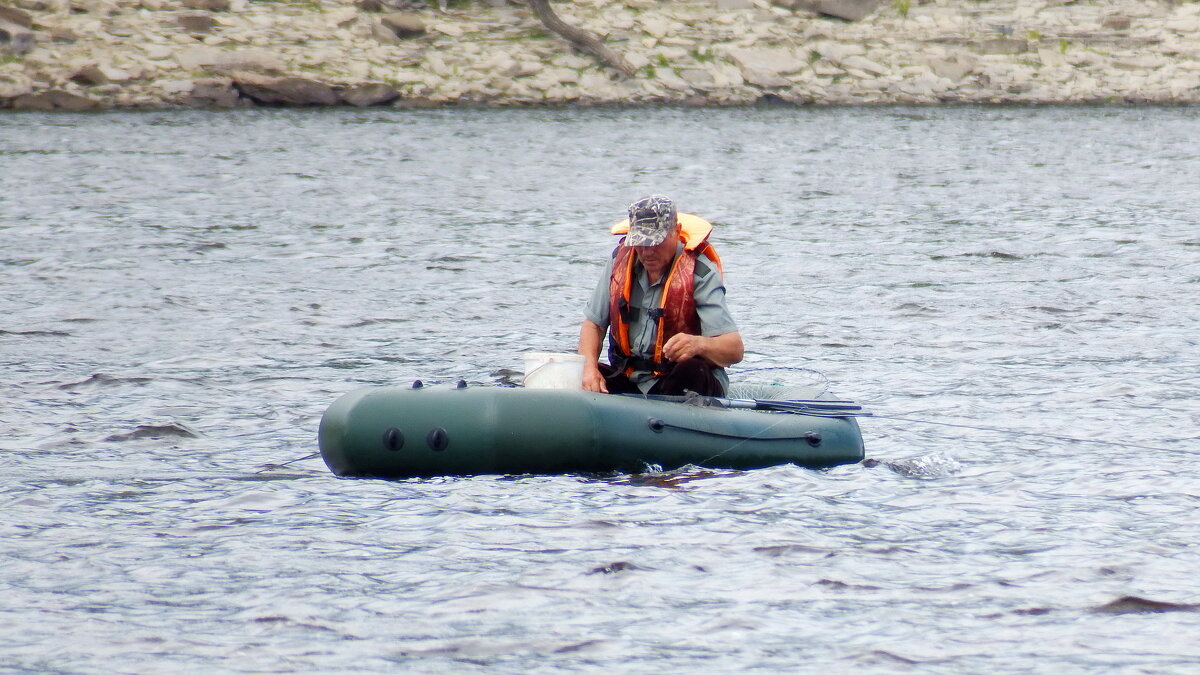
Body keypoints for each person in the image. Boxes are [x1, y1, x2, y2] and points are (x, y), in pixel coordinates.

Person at [579, 195, 744, 397]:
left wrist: (698, 344)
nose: (647, 252)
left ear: (676, 231)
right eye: (640, 243)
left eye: (655, 243)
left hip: (679, 378)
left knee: (691, 370)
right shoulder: (619, 262)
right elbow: (593, 325)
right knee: (576, 371)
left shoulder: (700, 272)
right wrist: (589, 369)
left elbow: (734, 349)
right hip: (632, 378)